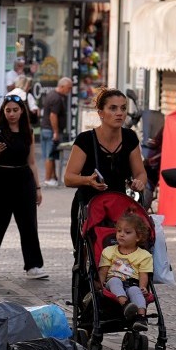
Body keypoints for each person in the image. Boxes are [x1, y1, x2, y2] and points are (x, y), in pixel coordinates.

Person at [64, 88, 147, 249]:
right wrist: (88, 180)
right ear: (100, 112)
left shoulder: (130, 137)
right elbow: (68, 178)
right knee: (89, 253)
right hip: (89, 206)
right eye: (113, 108)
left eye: (123, 108)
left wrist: (139, 182)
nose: (120, 113)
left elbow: (140, 173)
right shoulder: (86, 140)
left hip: (118, 207)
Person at [0, 92, 47, 280]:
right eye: (8, 110)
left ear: (22, 111)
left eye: (15, 110)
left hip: (24, 178)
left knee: (28, 224)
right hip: (1, 178)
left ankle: (33, 266)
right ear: (3, 111)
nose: (11, 114)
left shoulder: (27, 132)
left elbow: (32, 161)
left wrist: (38, 188)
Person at [99, 211, 153, 322]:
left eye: (127, 232)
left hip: (132, 283)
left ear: (138, 237)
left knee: (135, 291)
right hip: (113, 282)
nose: (121, 234)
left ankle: (141, 317)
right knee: (115, 281)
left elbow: (143, 274)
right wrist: (99, 284)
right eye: (119, 231)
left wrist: (143, 287)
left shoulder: (144, 255)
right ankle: (126, 304)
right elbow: (103, 271)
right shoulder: (109, 251)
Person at [39, 77, 72, 187]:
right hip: (50, 130)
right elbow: (53, 115)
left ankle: (54, 178)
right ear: (62, 86)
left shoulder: (54, 95)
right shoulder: (56, 98)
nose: (70, 90)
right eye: (69, 88)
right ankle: (48, 179)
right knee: (50, 156)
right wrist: (56, 132)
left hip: (47, 129)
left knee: (51, 154)